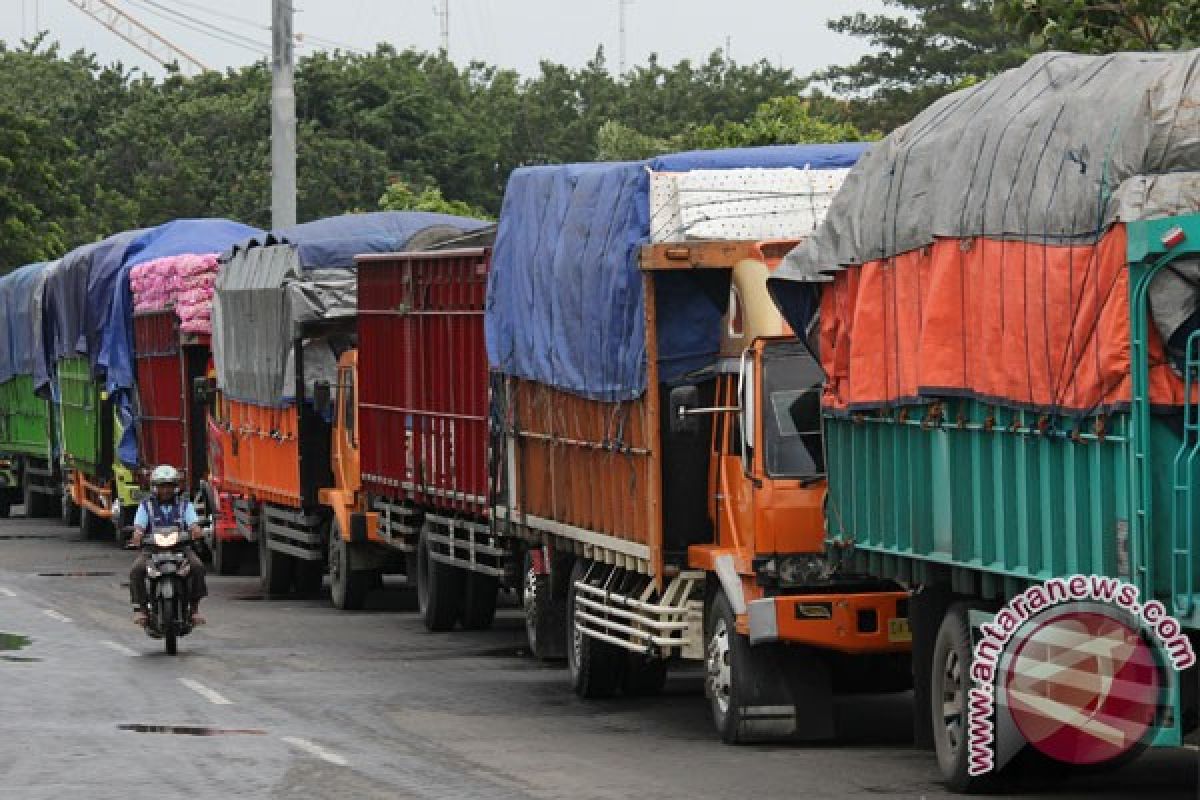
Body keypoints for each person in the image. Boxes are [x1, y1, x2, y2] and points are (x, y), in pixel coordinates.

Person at [129, 465, 208, 626]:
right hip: (152, 549)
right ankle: (141, 609)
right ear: (155, 487)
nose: (166, 490)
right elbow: (139, 526)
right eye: (162, 486)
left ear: (175, 487)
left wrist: (196, 529)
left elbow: (193, 522)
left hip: (180, 547)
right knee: (136, 570)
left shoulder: (185, 505)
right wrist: (137, 534)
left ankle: (194, 609)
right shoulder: (146, 505)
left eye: (169, 486)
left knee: (197, 566)